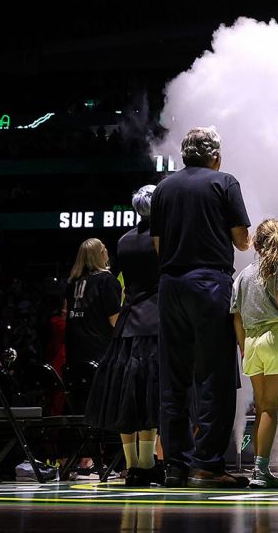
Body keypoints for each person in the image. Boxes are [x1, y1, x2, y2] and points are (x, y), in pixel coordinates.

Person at [150, 127, 251, 489]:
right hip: (209, 283)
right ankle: (207, 464)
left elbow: (159, 245)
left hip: (170, 285)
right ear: (216, 156)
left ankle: (175, 465)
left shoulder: (163, 188)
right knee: (216, 376)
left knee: (173, 379)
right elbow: (242, 242)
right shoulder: (225, 182)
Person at [87, 184, 162, 487]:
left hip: (127, 323)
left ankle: (132, 466)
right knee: (149, 397)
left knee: (126, 396)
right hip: (155, 322)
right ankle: (147, 464)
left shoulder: (123, 240)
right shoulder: (162, 240)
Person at [230, 218, 278, 489]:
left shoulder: (243, 274)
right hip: (276, 338)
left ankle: (258, 467)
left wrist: (243, 346)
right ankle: (262, 472)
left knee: (260, 408)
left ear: (256, 243)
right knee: (271, 408)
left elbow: (236, 316)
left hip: (251, 342)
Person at [64, 239, 122, 396]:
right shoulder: (108, 281)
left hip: (75, 357)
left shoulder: (71, 284)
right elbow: (115, 321)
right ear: (102, 254)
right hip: (101, 355)